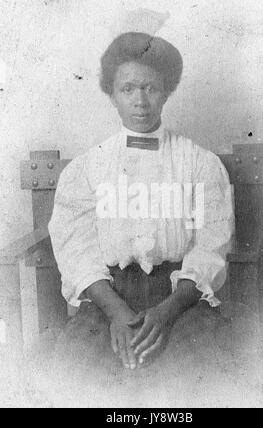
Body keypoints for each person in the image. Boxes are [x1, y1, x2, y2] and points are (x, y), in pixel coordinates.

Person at [48, 32, 234, 374]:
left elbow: (210, 244)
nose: (140, 101)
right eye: (128, 89)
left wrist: (167, 312)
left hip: (179, 300)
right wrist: (117, 313)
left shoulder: (198, 163)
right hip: (107, 299)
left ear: (166, 92)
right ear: (112, 95)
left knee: (205, 368)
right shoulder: (89, 167)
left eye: (150, 88)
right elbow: (76, 249)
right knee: (73, 368)